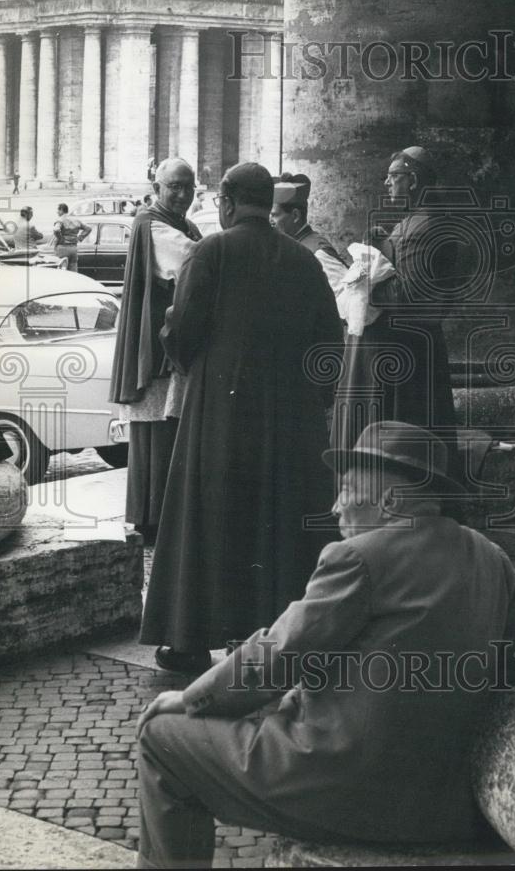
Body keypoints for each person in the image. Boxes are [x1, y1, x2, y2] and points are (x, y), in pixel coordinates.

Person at [136, 419, 515, 869]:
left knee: (160, 739)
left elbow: (278, 655)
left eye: (346, 490)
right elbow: (513, 677)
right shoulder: (492, 559)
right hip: (448, 805)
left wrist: (191, 697)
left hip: (350, 791)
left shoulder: (360, 558)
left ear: (391, 500)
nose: (335, 507)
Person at [140, 162, 343, 674]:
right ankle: (273, 637)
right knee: (275, 523)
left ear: (227, 203)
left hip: (220, 410)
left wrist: (179, 343)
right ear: (266, 202)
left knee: (209, 519)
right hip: (289, 417)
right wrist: (312, 401)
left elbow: (182, 331)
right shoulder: (303, 259)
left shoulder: (211, 252)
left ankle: (189, 639)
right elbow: (329, 345)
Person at [331, 146, 460, 480]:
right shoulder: (417, 221)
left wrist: (364, 281)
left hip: (408, 354)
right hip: (413, 350)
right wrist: (382, 246)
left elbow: (409, 296)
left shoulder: (424, 226)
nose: (387, 183)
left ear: (413, 180)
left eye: (394, 177)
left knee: (406, 438)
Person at [109, 159, 203, 547]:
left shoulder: (183, 223)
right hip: (157, 345)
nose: (182, 195)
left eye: (188, 187)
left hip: (169, 341)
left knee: (167, 430)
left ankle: (162, 516)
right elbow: (193, 262)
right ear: (157, 187)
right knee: (157, 432)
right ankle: (153, 519)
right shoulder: (152, 223)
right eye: (174, 187)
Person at [270, 172, 349, 297]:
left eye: (274, 215)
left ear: (295, 216)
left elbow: (346, 301)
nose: (270, 221)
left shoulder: (319, 253)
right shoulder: (288, 245)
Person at [52, 204, 91, 272]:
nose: (57, 212)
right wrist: (80, 238)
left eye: (58, 210)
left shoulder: (60, 220)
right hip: (73, 248)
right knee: (73, 270)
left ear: (61, 210)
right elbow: (88, 228)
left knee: (61, 270)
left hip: (62, 248)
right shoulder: (76, 220)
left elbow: (56, 230)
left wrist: (60, 238)